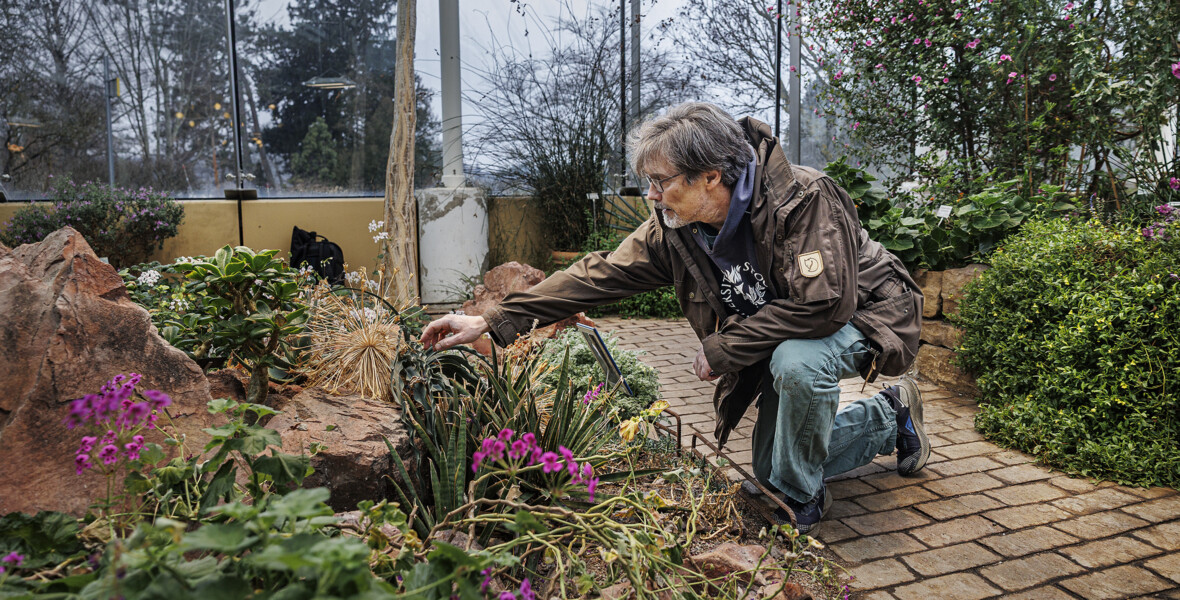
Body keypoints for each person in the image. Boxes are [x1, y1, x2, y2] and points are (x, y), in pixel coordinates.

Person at [421, 102, 929, 534]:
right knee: (770, 464)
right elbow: (598, 275)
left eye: (661, 182)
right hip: (786, 327)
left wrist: (723, 349)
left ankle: (800, 500)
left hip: (867, 312)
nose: (652, 195)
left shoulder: (802, 198)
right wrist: (493, 319)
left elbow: (822, 305)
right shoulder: (678, 227)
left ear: (710, 176)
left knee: (796, 366)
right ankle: (890, 416)